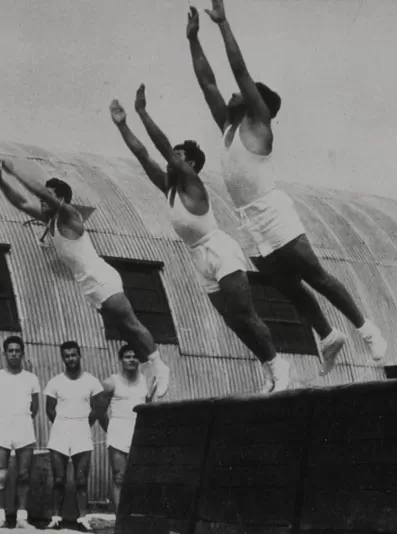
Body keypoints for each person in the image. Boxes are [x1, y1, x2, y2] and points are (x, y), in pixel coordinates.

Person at [186, 0, 387, 376]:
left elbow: (238, 68)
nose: (230, 93)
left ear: (255, 102)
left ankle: (366, 328)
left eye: (239, 92)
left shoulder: (258, 123)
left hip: (271, 211)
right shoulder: (227, 127)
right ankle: (328, 337)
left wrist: (223, 24)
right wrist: (193, 39)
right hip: (248, 221)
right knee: (289, 288)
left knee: (316, 276)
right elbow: (207, 81)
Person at [110, 83, 291, 390]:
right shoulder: (169, 188)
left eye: (178, 156)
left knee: (245, 315)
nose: (170, 160)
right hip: (198, 257)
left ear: (190, 164)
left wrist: (142, 112)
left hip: (219, 250)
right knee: (232, 321)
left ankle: (278, 363)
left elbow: (161, 145)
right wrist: (123, 125)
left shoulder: (191, 181)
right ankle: (268, 368)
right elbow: (143, 153)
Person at [0, 159, 171, 398]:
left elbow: (37, 192)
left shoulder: (69, 215)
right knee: (124, 331)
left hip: (101, 278)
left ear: (61, 200)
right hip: (89, 287)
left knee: (131, 324)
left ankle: (159, 366)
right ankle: (149, 367)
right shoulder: (51, 221)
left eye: (48, 197)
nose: (42, 200)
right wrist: (0, 180)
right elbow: (22, 202)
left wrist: (15, 172)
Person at [43, 341, 106, 532]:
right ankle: (55, 518)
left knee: (81, 480)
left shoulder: (92, 381)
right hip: (60, 429)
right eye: (67, 356)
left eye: (73, 355)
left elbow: (97, 408)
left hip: (82, 430)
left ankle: (82, 518)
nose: (70, 359)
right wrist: (64, 425)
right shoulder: (55, 382)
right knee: (59, 479)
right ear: (63, 358)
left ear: (80, 355)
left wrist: (82, 425)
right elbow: (49, 410)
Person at [0, 335, 42, 529]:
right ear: (4, 353)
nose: (14, 354)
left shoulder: (31, 378)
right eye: (10, 351)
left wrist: (21, 419)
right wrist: (1, 420)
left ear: (22, 353)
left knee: (24, 474)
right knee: (0, 473)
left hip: (24, 428)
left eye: (17, 351)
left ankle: (21, 518)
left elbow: (35, 407)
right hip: (2, 427)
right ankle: (0, 517)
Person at [97, 345, 151, 513]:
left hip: (139, 432)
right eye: (128, 357)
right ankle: (121, 517)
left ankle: (136, 514)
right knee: (119, 477)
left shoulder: (146, 382)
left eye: (135, 357)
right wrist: (112, 430)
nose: (132, 360)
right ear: (121, 360)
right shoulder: (111, 382)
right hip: (118, 431)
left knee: (139, 477)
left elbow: (149, 409)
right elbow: (100, 411)